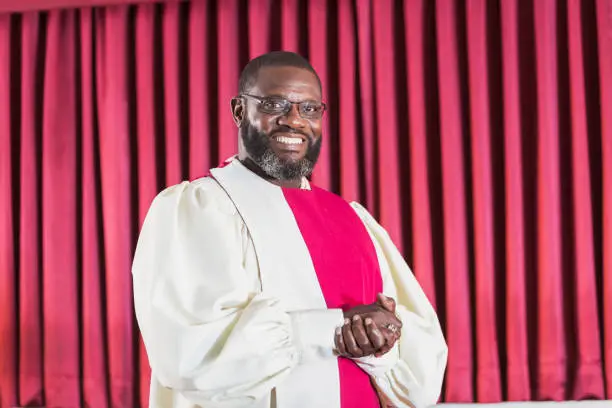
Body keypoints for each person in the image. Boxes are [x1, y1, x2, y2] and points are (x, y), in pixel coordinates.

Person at [132, 51, 447, 408]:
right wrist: (337, 327)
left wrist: (378, 342)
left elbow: (418, 371)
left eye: (310, 109)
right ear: (239, 111)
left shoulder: (354, 219)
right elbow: (192, 356)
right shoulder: (197, 211)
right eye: (275, 104)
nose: (294, 121)